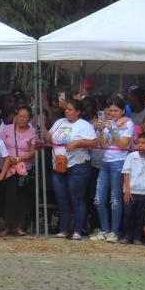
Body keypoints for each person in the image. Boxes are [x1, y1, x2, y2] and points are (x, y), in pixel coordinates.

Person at [41, 99, 97, 239]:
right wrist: (42, 126)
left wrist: (78, 142)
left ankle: (78, 230)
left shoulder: (84, 125)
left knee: (76, 198)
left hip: (77, 165)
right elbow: (49, 139)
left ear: (78, 112)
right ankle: (64, 229)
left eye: (70, 109)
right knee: (62, 198)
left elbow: (93, 142)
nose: (67, 111)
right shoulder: (59, 122)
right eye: (66, 109)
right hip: (58, 165)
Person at [91, 98, 134, 243]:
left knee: (115, 199)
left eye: (116, 110)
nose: (113, 113)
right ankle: (105, 230)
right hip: (105, 162)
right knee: (98, 199)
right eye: (111, 110)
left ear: (122, 111)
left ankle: (114, 232)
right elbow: (103, 145)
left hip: (119, 162)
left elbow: (123, 145)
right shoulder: (108, 123)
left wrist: (112, 129)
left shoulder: (128, 123)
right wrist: (101, 129)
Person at [0, 107, 37, 236]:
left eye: (25, 117)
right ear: (17, 116)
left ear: (29, 118)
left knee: (23, 199)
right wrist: (7, 157)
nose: (22, 119)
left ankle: (20, 226)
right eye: (20, 116)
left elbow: (32, 151)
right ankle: (8, 226)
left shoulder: (32, 131)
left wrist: (20, 158)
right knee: (8, 197)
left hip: (24, 168)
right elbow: (0, 144)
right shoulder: (7, 129)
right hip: (7, 167)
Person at [121, 133, 145, 244]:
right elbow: (126, 173)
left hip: (144, 192)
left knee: (140, 216)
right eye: (138, 143)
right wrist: (127, 191)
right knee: (128, 214)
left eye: (143, 143)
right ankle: (126, 236)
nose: (140, 145)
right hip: (131, 191)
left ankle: (137, 237)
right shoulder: (132, 156)